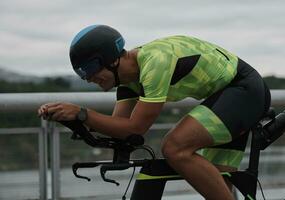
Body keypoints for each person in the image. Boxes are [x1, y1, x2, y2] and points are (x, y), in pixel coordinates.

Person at [38, 24, 271, 200]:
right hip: (228, 97)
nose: (88, 79)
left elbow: (137, 128)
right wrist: (69, 117)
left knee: (175, 147)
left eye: (89, 70)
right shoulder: (129, 80)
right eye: (82, 74)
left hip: (244, 90)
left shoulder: (154, 63)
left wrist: (82, 113)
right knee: (218, 188)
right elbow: (120, 129)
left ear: (111, 59)